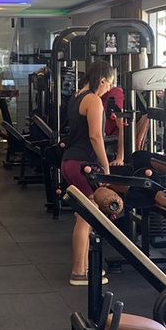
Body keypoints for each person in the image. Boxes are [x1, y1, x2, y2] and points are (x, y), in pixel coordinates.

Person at [61, 61, 119, 286]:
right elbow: (96, 136)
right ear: (102, 80)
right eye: (109, 84)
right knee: (87, 218)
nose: (109, 89)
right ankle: (78, 272)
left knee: (84, 216)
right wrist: (106, 167)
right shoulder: (93, 100)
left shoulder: (77, 97)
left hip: (70, 161)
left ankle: (85, 268)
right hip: (82, 164)